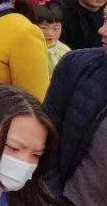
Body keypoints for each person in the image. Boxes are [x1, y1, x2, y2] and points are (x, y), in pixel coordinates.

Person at [43, 21, 107, 204]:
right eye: (104, 19)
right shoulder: (76, 67)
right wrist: (52, 198)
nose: (101, 30)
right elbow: (47, 138)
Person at [33, 5, 70, 73]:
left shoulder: (64, 50)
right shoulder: (29, 49)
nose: (50, 33)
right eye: (43, 28)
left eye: (55, 29)